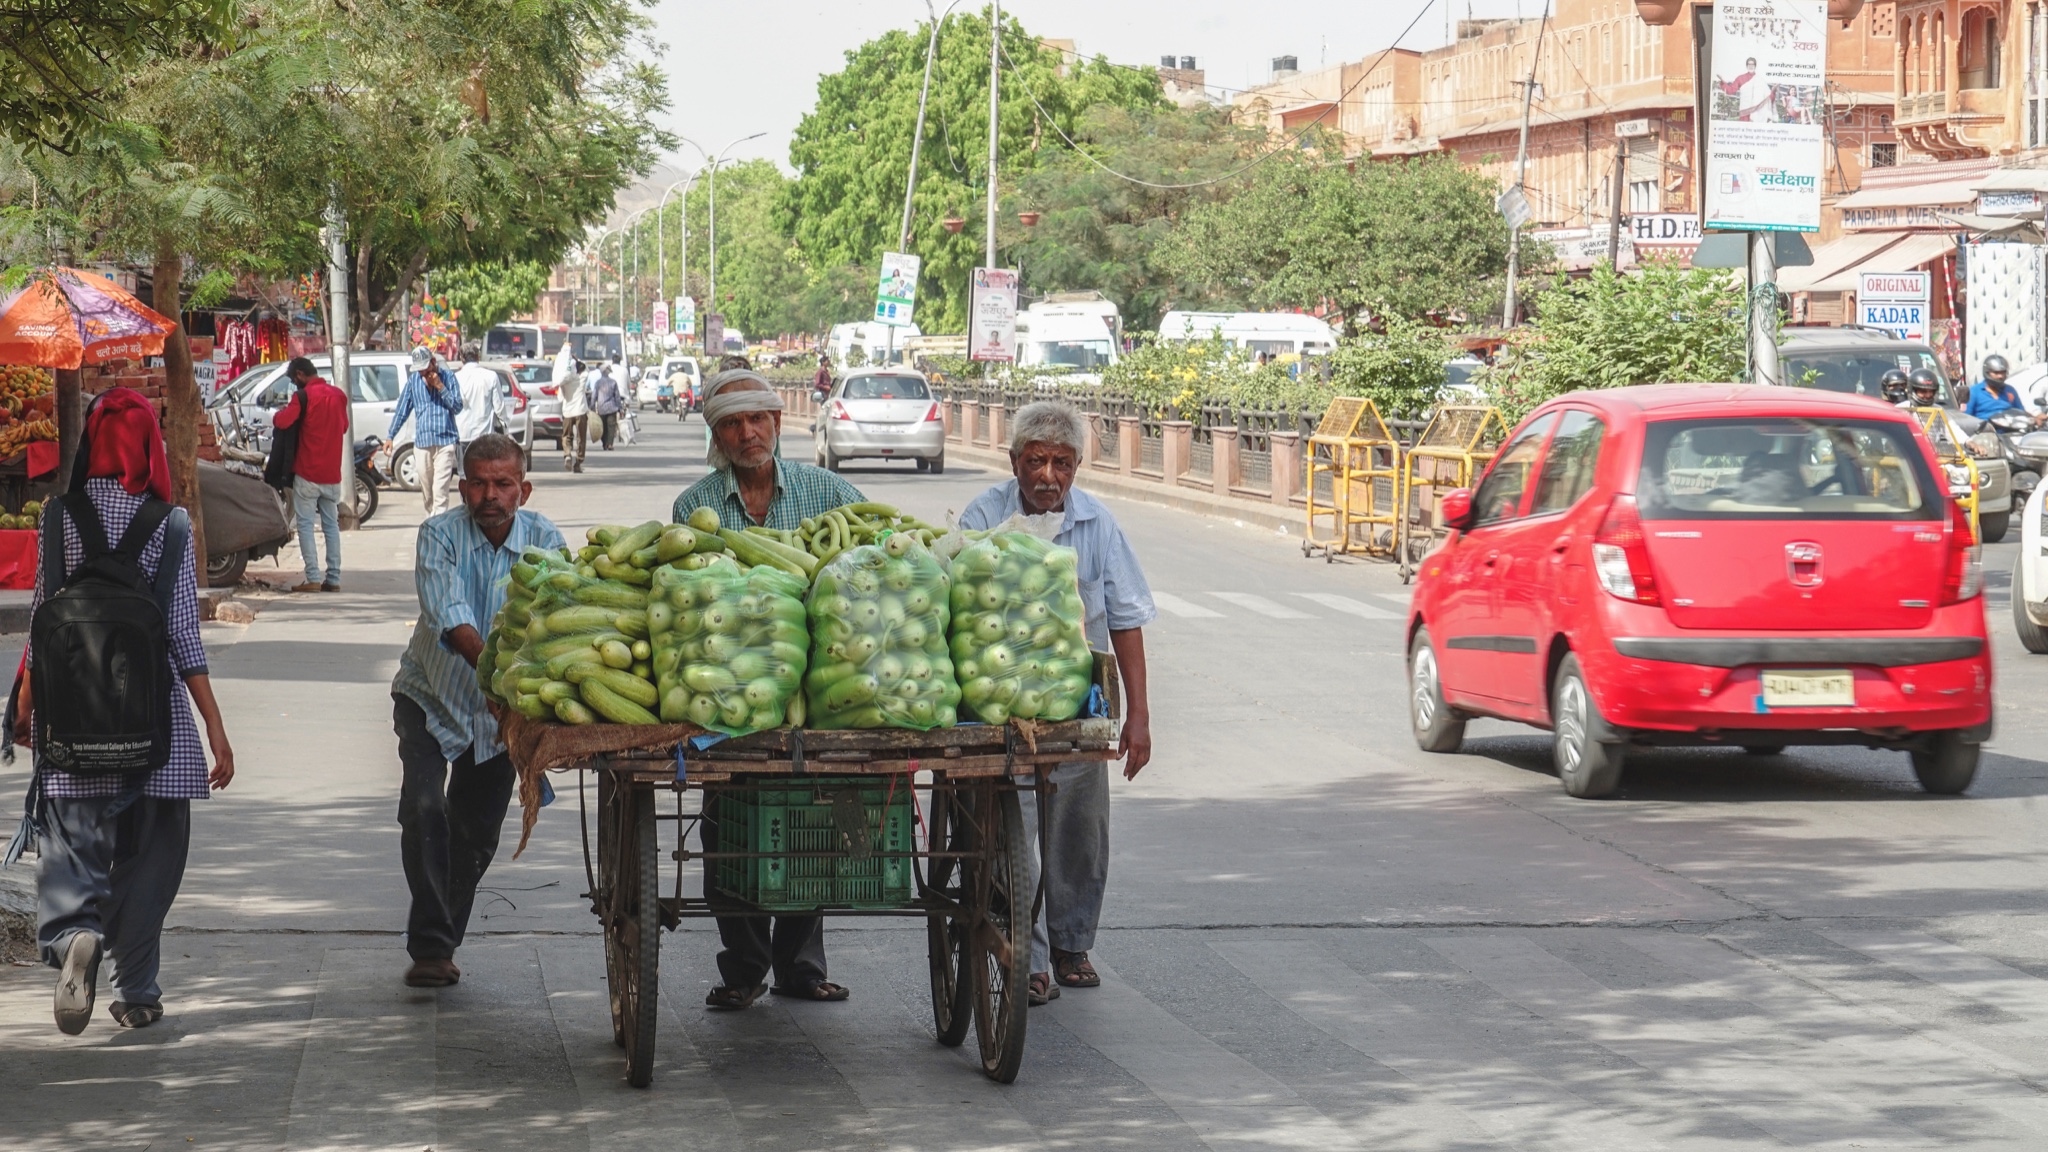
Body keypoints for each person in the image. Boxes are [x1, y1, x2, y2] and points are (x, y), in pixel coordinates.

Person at [19, 387, 235, 1033]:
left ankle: (74, 935)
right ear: (149, 445)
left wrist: (23, 709)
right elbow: (181, 634)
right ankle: (138, 991)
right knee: (152, 863)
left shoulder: (58, 517)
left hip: (71, 722)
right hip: (156, 729)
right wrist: (215, 728)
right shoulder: (169, 524)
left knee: (69, 850)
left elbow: (39, 621)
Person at [672, 368, 864, 1009]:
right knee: (729, 823)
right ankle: (744, 967)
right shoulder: (693, 507)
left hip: (821, 679)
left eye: (758, 420)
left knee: (808, 815)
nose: (748, 433)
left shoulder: (830, 491)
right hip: (731, 688)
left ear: (778, 424)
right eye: (732, 423)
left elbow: (868, 572)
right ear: (716, 436)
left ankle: (801, 967)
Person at [957, 399, 1154, 1007]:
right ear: (1014, 461)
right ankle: (1029, 955)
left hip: (1075, 703)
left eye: (1062, 464)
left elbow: (1123, 618)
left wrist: (1138, 716)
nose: (1048, 476)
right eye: (1036, 461)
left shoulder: (1098, 525)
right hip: (994, 705)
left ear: (1076, 468)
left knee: (1079, 828)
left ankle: (1071, 944)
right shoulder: (984, 515)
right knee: (1008, 827)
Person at [389, 434, 564, 988]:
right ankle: (432, 947)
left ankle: (441, 938)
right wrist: (494, 675)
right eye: (480, 483)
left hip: (499, 717)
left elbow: (560, 619)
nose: (490, 495)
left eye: (503, 484)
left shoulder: (547, 542)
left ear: (523, 489)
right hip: (430, 696)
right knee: (425, 810)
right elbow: (451, 613)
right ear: (462, 487)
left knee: (475, 832)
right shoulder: (437, 535)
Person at [273, 357, 350, 592]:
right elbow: (344, 426)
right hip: (332, 474)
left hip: (307, 473)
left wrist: (276, 416)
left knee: (305, 526)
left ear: (299, 375)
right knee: (331, 526)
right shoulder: (338, 395)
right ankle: (334, 579)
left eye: (293, 379)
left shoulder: (302, 397)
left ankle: (313, 578)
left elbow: (283, 421)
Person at [389, 346, 464, 514]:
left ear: (433, 362)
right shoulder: (413, 382)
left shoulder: (449, 378)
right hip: (423, 443)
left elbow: (457, 406)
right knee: (428, 493)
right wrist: (390, 436)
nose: (423, 373)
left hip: (445, 441)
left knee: (440, 491)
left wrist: (440, 386)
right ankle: (432, 521)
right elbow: (402, 410)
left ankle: (437, 527)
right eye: (420, 370)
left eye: (426, 368)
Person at [453, 344, 501, 456]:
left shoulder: (455, 378)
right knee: (483, 471)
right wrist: (506, 430)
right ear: (478, 357)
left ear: (461, 358)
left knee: (464, 472)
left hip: (462, 434)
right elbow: (499, 407)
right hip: (484, 436)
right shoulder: (491, 376)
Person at [1966, 355, 2036, 423]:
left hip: (2009, 431)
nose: (2000, 376)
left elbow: (2021, 412)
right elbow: (1966, 418)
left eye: (2003, 372)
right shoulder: (1974, 392)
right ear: (1987, 372)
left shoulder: (2010, 390)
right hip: (1985, 432)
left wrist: (2034, 418)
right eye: (1996, 373)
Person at [558, 358, 590, 472]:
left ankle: (567, 454)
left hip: (567, 412)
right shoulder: (583, 377)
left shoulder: (565, 380)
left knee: (566, 436)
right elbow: (586, 367)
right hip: (580, 411)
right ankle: (578, 463)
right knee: (581, 438)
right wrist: (576, 358)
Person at [591, 359, 624, 450]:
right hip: (612, 408)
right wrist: (620, 408)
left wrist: (592, 408)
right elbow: (617, 397)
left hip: (601, 408)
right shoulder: (613, 382)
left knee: (603, 427)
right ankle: (610, 444)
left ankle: (605, 443)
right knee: (611, 427)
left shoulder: (598, 383)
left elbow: (594, 396)